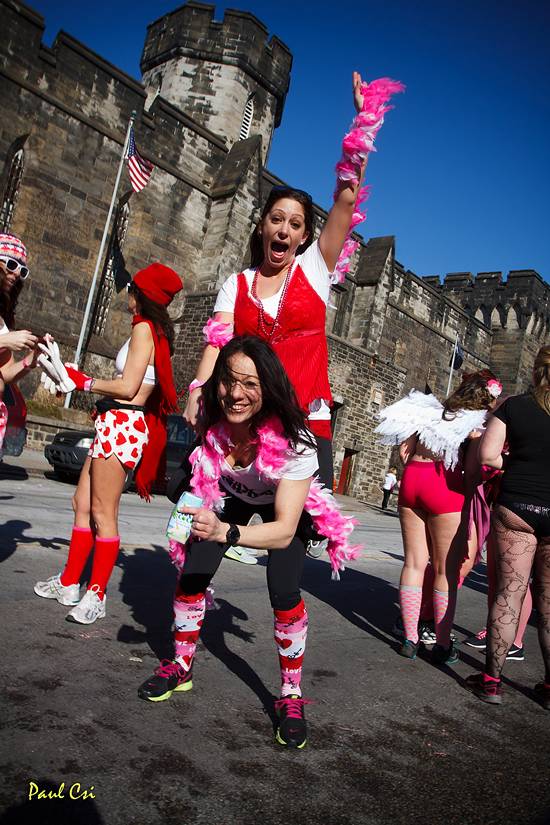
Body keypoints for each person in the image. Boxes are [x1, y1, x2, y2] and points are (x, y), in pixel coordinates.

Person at [183, 73, 404, 542]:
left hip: (306, 418)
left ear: (304, 236)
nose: (284, 229)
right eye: (276, 219)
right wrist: (199, 388)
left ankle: (288, 615)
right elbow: (217, 340)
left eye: (295, 224)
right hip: (248, 417)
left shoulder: (316, 270)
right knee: (204, 538)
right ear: (263, 226)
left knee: (294, 543)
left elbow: (346, 199)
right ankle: (192, 603)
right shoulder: (237, 283)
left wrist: (363, 123)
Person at [138, 336, 359, 749]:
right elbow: (203, 376)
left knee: (284, 588)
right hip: (231, 494)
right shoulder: (211, 415)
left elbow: (283, 530)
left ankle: (290, 694)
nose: (236, 394)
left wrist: (227, 532)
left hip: (283, 504)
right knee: (193, 574)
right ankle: (181, 665)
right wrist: (195, 392)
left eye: (250, 384)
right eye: (228, 381)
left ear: (268, 387)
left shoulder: (297, 443)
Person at [34, 263, 182, 624]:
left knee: (103, 513)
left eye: (130, 289)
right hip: (113, 423)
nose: (126, 296)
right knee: (81, 501)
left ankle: (96, 594)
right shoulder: (146, 331)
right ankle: (70, 581)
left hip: (123, 426)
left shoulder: (146, 330)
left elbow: (129, 387)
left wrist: (83, 382)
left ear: (139, 294)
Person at [376, 371, 502, 664]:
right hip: (445, 486)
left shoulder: (429, 412)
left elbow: (405, 453)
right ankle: (443, 642)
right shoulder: (477, 424)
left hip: (413, 481)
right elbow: (474, 469)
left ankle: (409, 638)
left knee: (414, 563)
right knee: (446, 570)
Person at [465, 346, 550, 707]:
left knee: (509, 594)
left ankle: (491, 682)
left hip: (517, 506)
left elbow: (487, 455)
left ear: (536, 371)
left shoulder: (515, 406)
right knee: (548, 602)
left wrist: (513, 461)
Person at [0, 233, 39, 457]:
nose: (16, 274)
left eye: (22, 270)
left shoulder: (2, 315)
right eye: (12, 265)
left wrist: (30, 360)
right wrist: (5, 340)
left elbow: (5, 373)